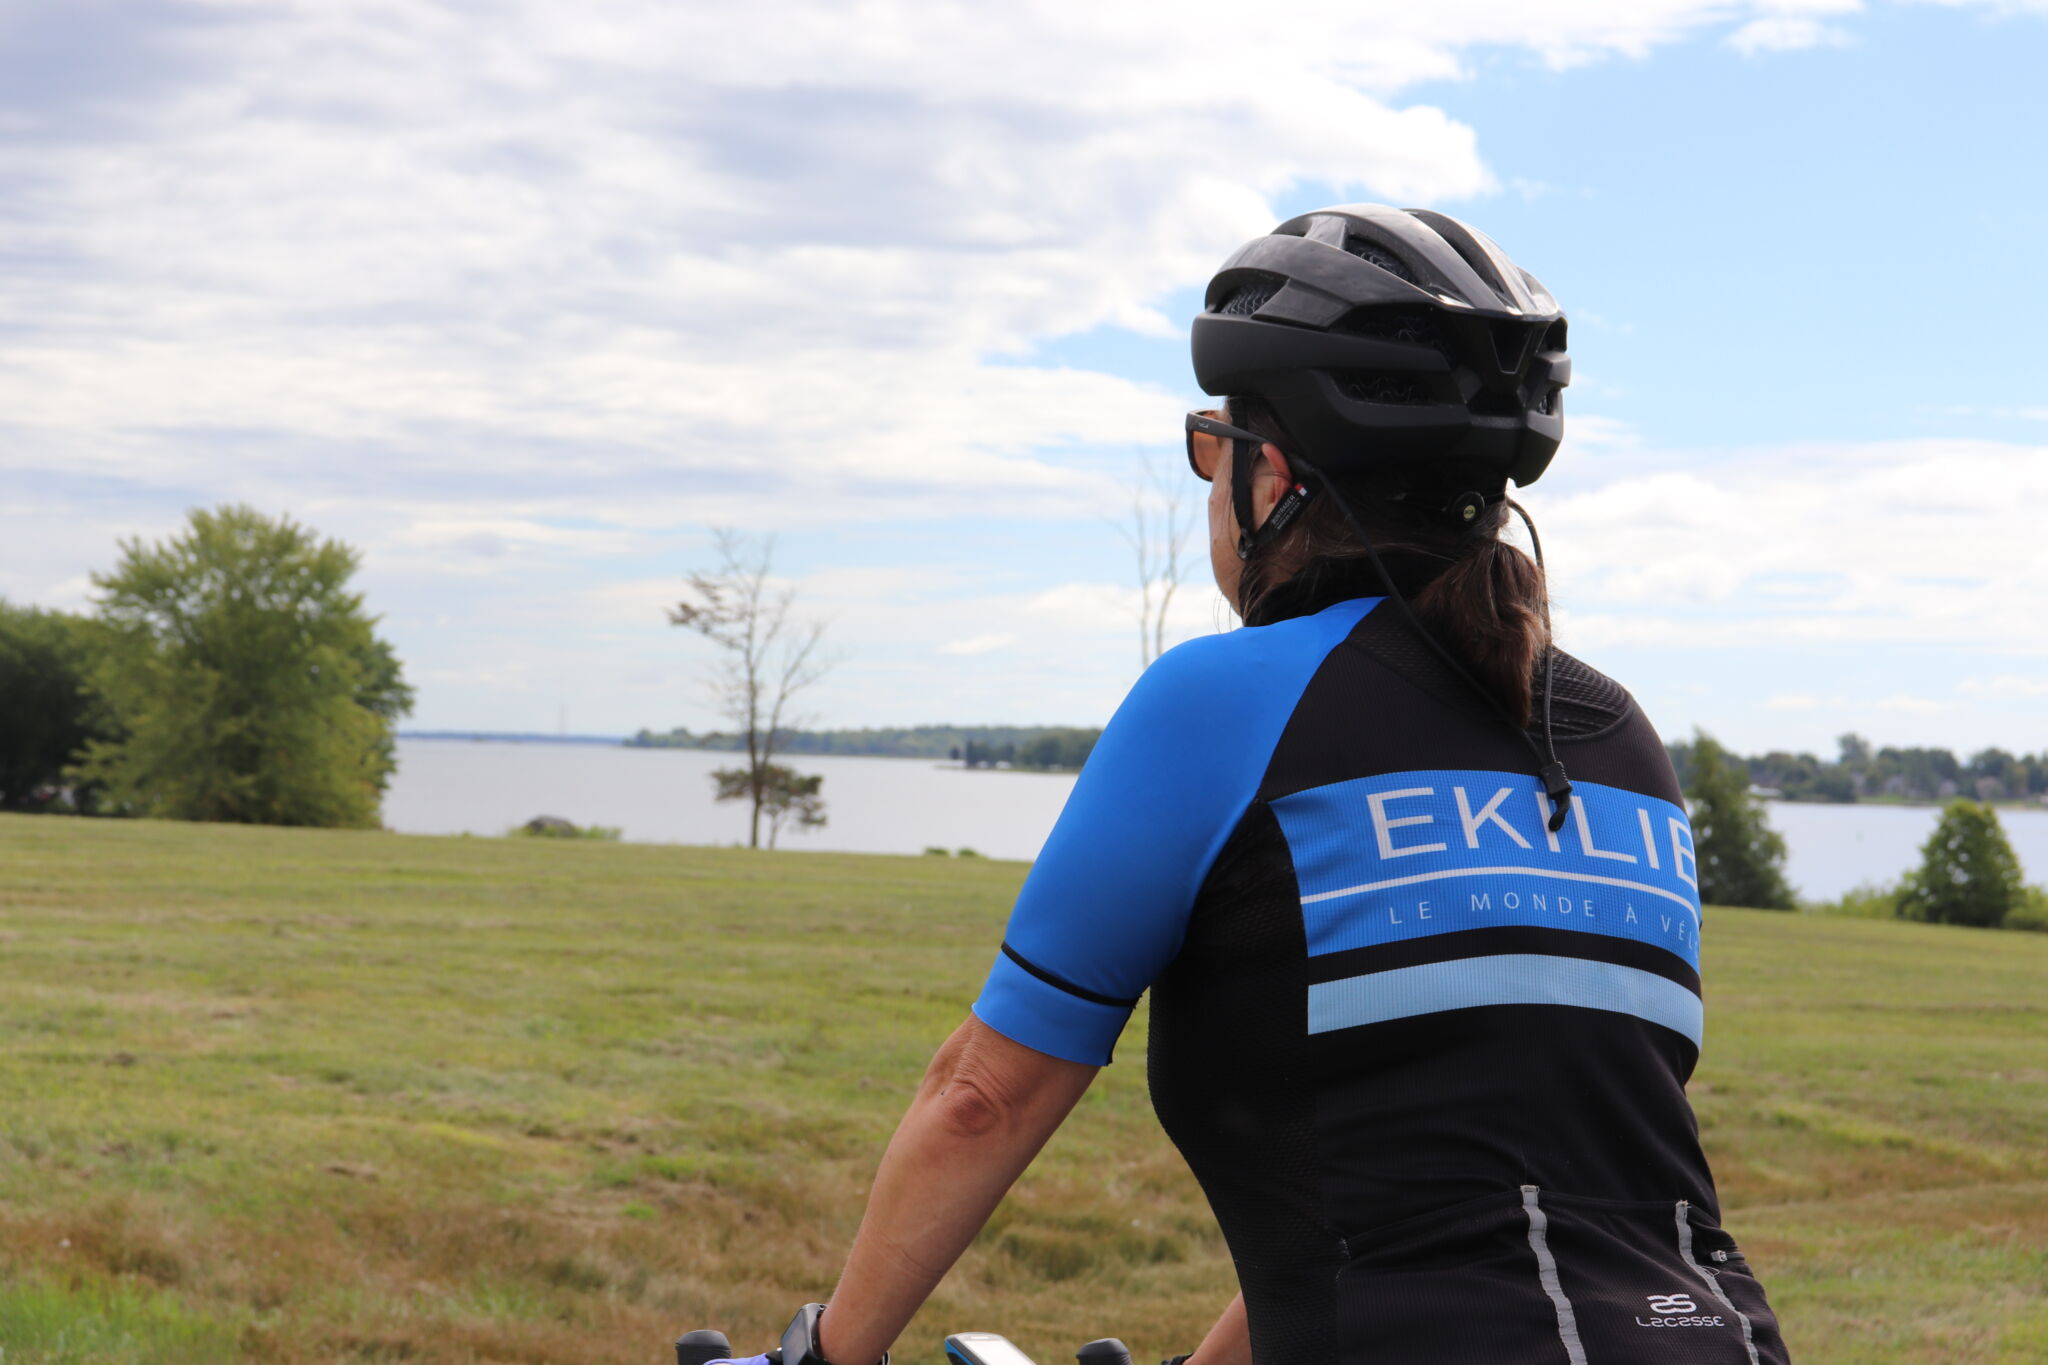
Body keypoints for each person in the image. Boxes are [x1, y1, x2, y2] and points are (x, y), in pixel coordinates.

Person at [732, 205, 1790, 1365]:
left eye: (1212, 445)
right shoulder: (1614, 737)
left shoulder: (1221, 701)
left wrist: (823, 1352)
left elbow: (982, 1096)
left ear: (1270, 475)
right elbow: (1440, 1202)